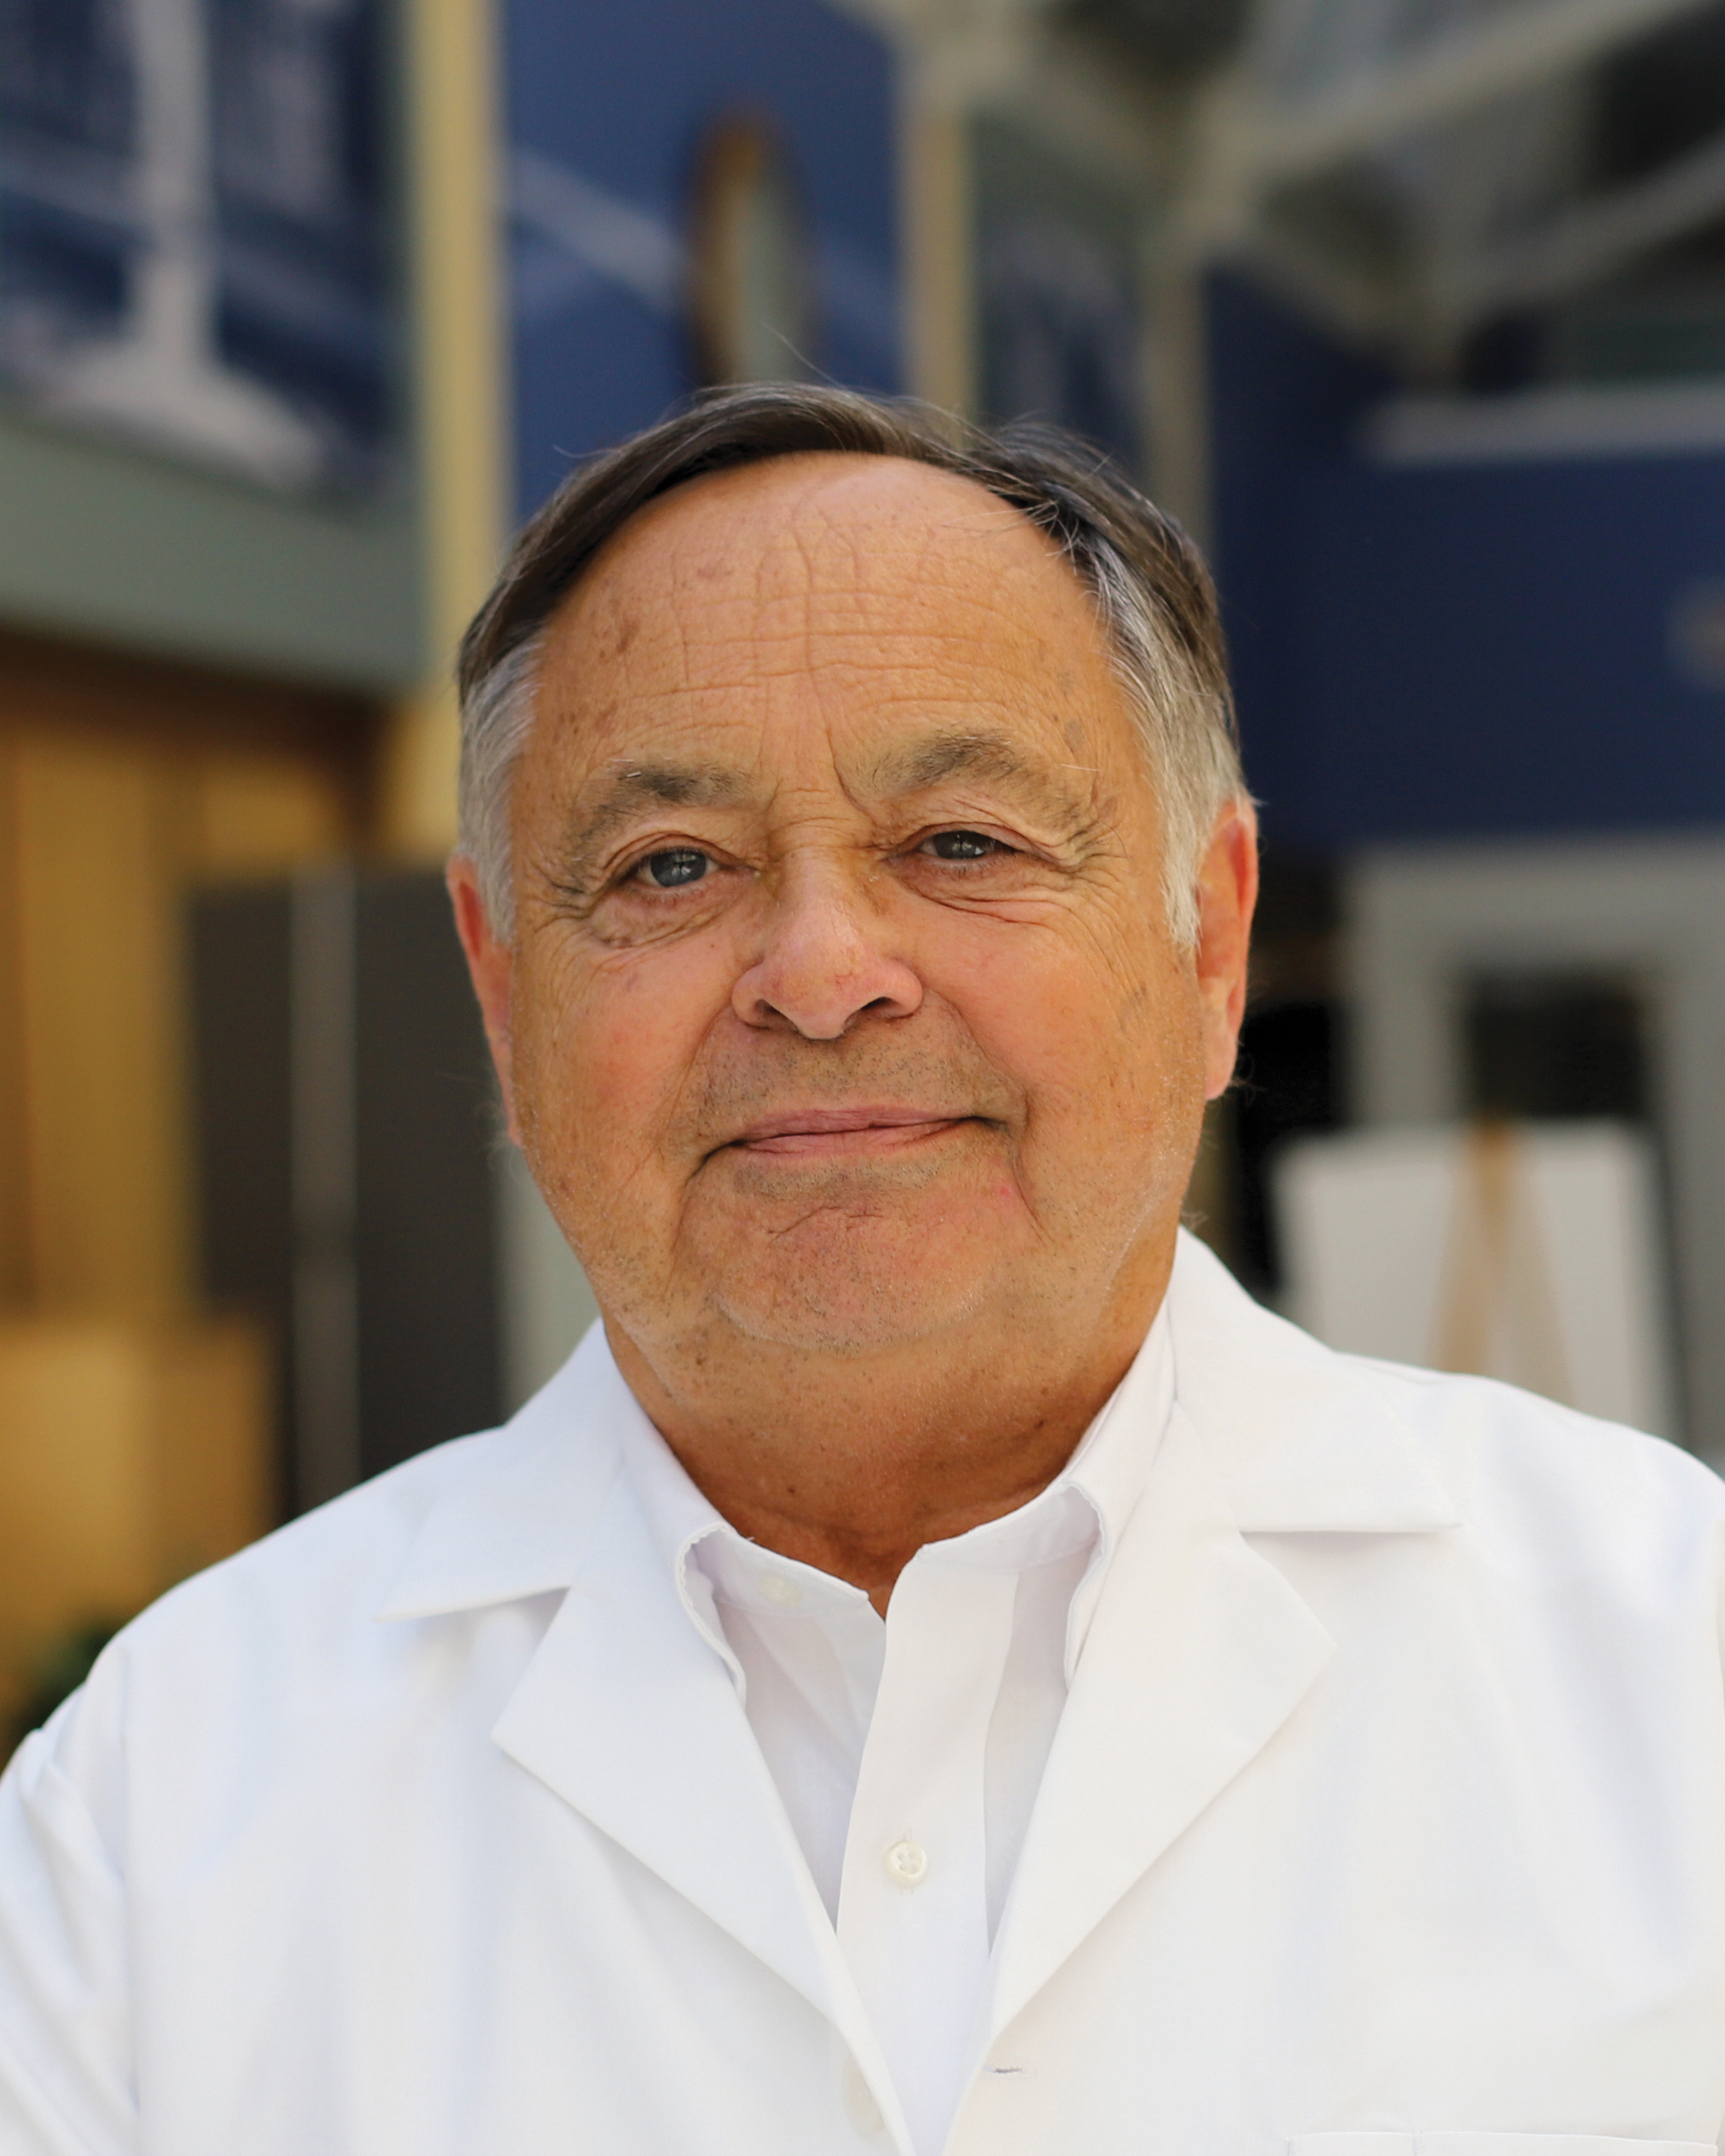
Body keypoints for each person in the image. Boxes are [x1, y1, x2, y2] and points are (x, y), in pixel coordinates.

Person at [2, 384, 1722, 2156]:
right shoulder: (161, 1809)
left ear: (1210, 945)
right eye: (671, 867)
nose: (823, 976)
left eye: (961, 843)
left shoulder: (1672, 1673)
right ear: (504, 996)